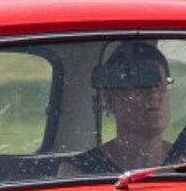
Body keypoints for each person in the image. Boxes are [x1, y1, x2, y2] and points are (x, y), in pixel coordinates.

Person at [64, 41, 176, 175]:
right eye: (140, 85)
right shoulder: (80, 172)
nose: (154, 94)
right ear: (110, 100)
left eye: (161, 84)